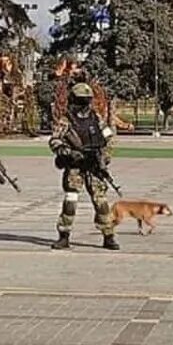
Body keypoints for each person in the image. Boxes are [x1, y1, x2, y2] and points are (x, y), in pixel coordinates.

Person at [49, 81, 119, 251]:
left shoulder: (96, 119)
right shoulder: (66, 120)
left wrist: (103, 158)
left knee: (101, 201)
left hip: (94, 166)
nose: (83, 105)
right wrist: (66, 151)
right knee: (70, 200)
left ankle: (108, 236)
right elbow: (54, 140)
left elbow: (109, 138)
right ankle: (64, 236)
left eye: (85, 101)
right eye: (81, 101)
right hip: (75, 167)